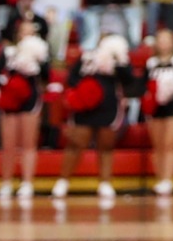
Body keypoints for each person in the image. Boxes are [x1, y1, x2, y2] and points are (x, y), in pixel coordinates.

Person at [55, 35, 131, 203]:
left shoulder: (120, 59)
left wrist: (118, 62)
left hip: (108, 107)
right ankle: (63, 181)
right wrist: (85, 89)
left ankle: (105, 183)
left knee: (106, 145)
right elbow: (72, 78)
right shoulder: (86, 57)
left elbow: (129, 80)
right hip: (85, 106)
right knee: (76, 143)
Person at [0, 19, 48, 204]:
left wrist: (39, 62)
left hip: (30, 99)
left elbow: (47, 76)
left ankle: (27, 183)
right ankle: (6, 182)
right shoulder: (9, 52)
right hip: (10, 99)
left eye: (30, 31)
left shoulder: (40, 50)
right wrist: (7, 83)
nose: (27, 34)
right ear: (18, 33)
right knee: (8, 144)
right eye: (23, 31)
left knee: (28, 144)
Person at [142, 26, 173, 198]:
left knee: (169, 145)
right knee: (158, 145)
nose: (164, 43)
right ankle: (160, 179)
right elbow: (143, 85)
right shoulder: (151, 63)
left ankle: (168, 180)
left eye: (167, 39)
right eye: (161, 39)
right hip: (155, 108)